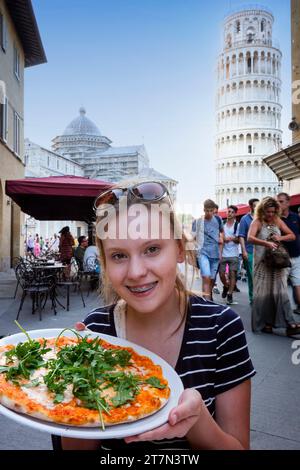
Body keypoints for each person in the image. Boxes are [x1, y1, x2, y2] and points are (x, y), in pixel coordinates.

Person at [61, 180, 255, 451]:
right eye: (118, 255)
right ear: (104, 263)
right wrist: (74, 384)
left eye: (152, 249)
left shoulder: (221, 328)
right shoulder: (95, 332)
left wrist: (197, 420)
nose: (136, 272)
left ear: (178, 248)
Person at [247, 197, 300, 335]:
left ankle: (289, 322)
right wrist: (266, 243)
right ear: (262, 210)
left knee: (280, 292)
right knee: (264, 294)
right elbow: (249, 238)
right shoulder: (257, 222)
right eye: (267, 211)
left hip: (277, 264)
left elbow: (292, 235)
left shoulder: (277, 221)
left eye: (273, 211)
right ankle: (267, 324)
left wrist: (280, 238)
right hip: (262, 263)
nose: (270, 214)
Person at [194, 199, 224, 300]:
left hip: (215, 254)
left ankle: (208, 298)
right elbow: (193, 237)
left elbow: (221, 236)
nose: (209, 213)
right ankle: (206, 303)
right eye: (207, 210)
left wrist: (220, 251)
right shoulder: (198, 221)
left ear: (214, 210)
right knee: (206, 277)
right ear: (204, 210)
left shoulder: (218, 220)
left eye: (211, 210)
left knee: (211, 279)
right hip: (203, 253)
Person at [277, 192, 300, 315]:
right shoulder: (276, 219)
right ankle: (283, 312)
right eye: (277, 201)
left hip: (296, 256)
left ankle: (299, 306)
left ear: (288, 203)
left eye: (281, 201)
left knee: (298, 284)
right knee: (282, 286)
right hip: (282, 259)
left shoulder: (296, 217)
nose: (278, 204)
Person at [238, 198, 259, 305]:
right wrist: (244, 251)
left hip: (261, 251)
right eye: (255, 205)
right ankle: (253, 298)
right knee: (252, 275)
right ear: (250, 206)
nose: (257, 207)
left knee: (260, 275)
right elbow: (241, 236)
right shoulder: (244, 219)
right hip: (249, 251)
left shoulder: (262, 218)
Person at [219, 205, 240, 305]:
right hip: (223, 253)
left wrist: (231, 238)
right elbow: (219, 237)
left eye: (231, 212)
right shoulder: (222, 224)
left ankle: (230, 294)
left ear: (235, 214)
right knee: (221, 274)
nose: (229, 213)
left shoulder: (237, 225)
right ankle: (226, 286)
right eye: (228, 211)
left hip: (234, 254)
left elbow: (239, 239)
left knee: (232, 275)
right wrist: (222, 239)